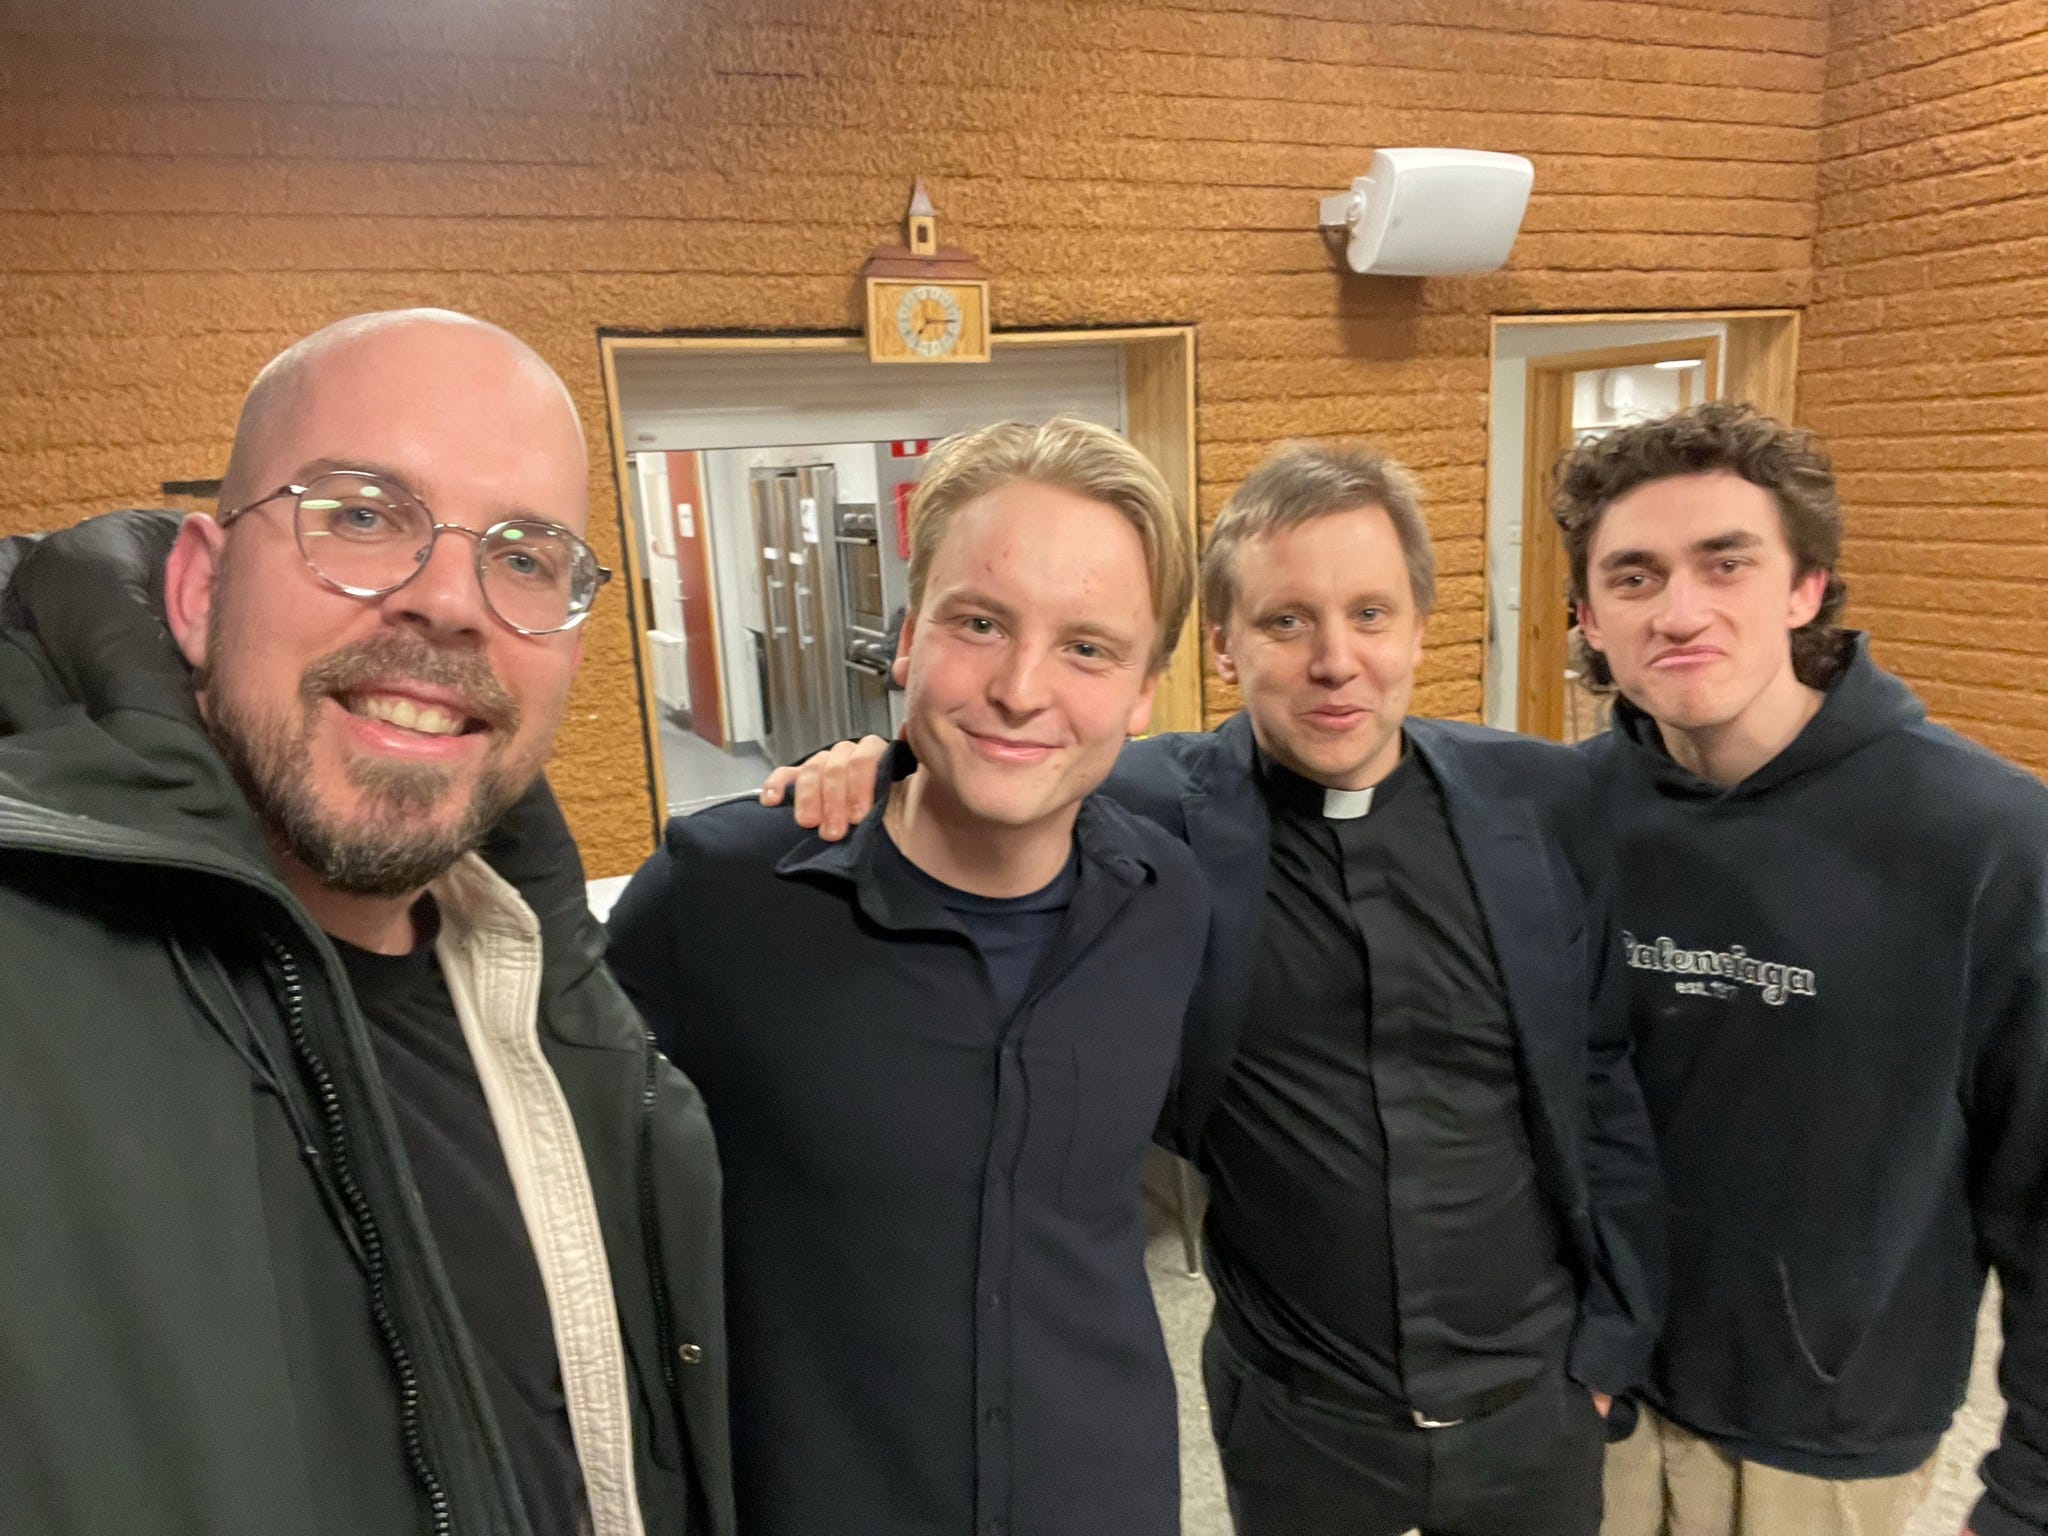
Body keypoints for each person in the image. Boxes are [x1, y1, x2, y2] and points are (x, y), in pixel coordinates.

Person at [768, 441, 1665, 1536]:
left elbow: (1600, 1074)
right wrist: (876, 762)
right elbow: (1016, 746)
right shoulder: (1152, 805)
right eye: (1286, 621)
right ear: (1223, 648)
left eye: (1370, 615)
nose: (1335, 661)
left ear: (1419, 628)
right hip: (1296, 1418)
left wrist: (1612, 1347)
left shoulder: (1538, 800)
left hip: (1535, 1407)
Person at [0, 309, 730, 1536]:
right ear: (200, 588)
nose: (448, 601)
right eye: (359, 515)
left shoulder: (550, 996)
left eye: (524, 556)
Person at [605, 417, 1208, 1536]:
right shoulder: (721, 898)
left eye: (1087, 647)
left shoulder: (1167, 897)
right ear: (905, 638)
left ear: (1144, 692)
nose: (1021, 688)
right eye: (979, 623)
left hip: (1098, 1494)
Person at [1555, 401, 2048, 1536]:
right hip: (1589, 1407)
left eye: (1724, 563)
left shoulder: (1985, 841)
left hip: (1819, 1446)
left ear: (1804, 588)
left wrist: (2030, 1497)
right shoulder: (1560, 817)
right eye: (1633, 577)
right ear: (1588, 618)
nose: (1679, 610)